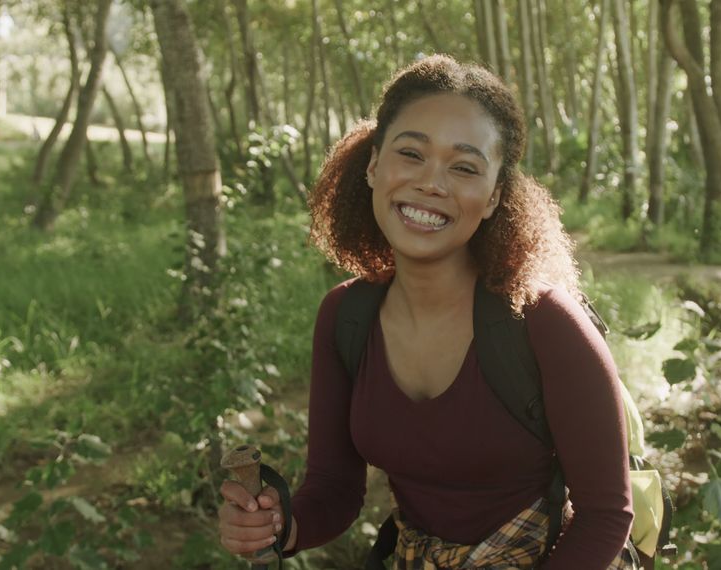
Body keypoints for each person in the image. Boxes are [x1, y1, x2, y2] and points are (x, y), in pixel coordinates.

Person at [218, 54, 635, 569]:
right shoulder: (345, 318)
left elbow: (606, 515)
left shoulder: (544, 321)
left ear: (493, 198)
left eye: (464, 167)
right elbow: (333, 489)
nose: (431, 183)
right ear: (374, 165)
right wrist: (279, 525)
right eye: (411, 154)